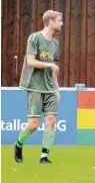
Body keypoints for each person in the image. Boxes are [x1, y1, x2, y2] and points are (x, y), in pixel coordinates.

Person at [14, 10, 63, 164]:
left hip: (50, 88)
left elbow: (52, 68)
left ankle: (44, 157)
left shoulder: (55, 43)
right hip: (34, 87)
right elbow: (30, 61)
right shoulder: (34, 38)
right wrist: (50, 64)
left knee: (51, 121)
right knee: (33, 125)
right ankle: (18, 145)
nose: (61, 23)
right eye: (59, 20)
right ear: (50, 21)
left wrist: (57, 89)